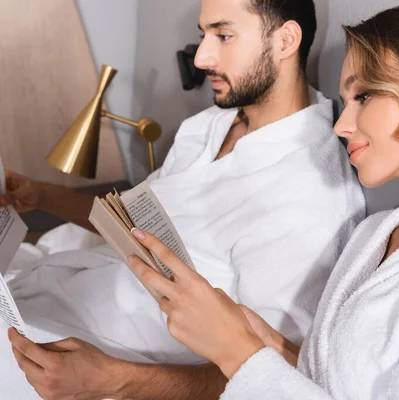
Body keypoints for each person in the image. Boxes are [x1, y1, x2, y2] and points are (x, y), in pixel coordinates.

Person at [80, 4, 399, 399]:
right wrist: (254, 335)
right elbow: (332, 378)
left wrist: (235, 353)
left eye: (364, 96)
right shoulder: (379, 234)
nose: (342, 124)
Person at [3, 0, 365, 398]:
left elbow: (266, 373)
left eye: (223, 36)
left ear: (286, 40)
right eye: (203, 35)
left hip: (88, 356)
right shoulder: (209, 126)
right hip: (45, 295)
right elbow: (126, 222)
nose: (204, 57)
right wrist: (38, 193)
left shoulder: (310, 197)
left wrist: (112, 380)